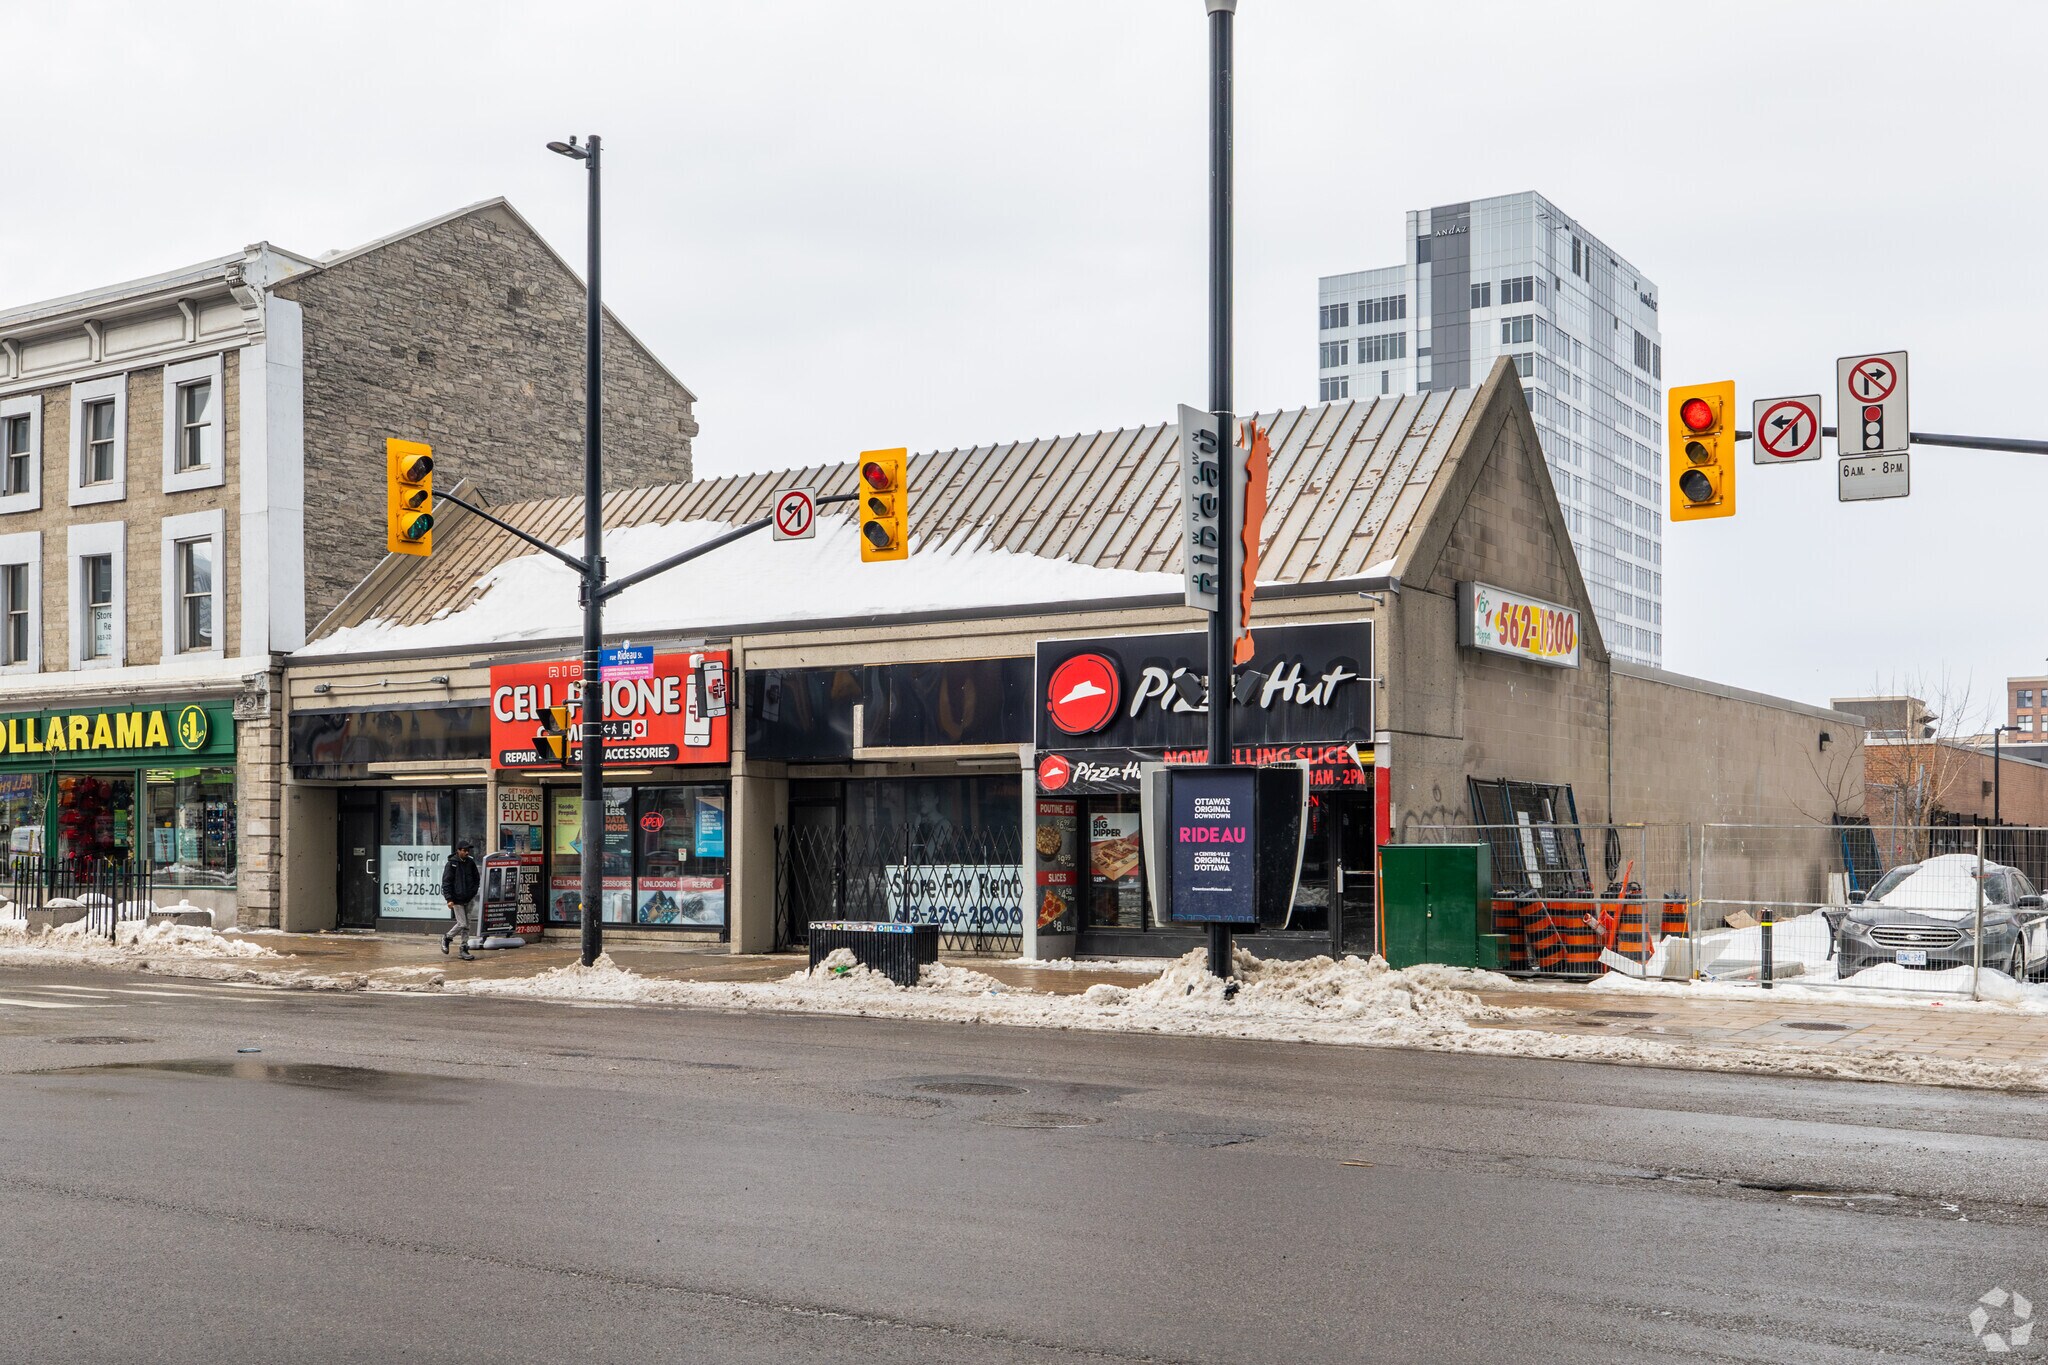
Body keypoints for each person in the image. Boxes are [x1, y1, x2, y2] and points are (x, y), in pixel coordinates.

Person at [440, 839, 481, 961]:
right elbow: (446, 883)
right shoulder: (451, 864)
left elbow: (476, 879)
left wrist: (473, 892)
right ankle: (447, 937)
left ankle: (464, 948)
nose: (467, 852)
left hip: (468, 898)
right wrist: (449, 899)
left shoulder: (470, 862)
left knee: (467, 925)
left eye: (468, 850)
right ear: (458, 851)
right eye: (464, 850)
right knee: (462, 923)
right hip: (456, 899)